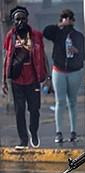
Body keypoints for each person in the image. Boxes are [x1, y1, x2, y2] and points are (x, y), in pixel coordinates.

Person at [2, 6, 48, 149]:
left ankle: (33, 132)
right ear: (13, 21)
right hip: (17, 81)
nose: (20, 22)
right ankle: (23, 140)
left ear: (27, 19)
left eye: (23, 18)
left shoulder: (36, 35)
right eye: (17, 19)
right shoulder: (10, 36)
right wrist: (3, 80)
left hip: (33, 79)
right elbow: (7, 58)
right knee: (19, 111)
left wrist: (47, 76)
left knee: (34, 110)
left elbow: (43, 56)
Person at [43, 9, 85, 143]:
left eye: (69, 18)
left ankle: (73, 132)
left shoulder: (78, 35)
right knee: (60, 102)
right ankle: (58, 132)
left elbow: (83, 55)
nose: (66, 20)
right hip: (59, 71)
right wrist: (59, 25)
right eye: (64, 18)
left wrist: (76, 51)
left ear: (73, 20)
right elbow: (46, 32)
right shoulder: (57, 33)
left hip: (74, 72)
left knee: (72, 102)